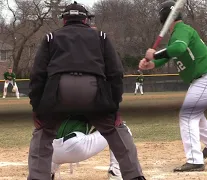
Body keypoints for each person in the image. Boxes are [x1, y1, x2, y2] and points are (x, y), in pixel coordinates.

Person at [28, 1, 145, 180]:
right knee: (116, 131)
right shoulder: (101, 37)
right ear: (85, 20)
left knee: (43, 134)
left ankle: (37, 177)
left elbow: (37, 74)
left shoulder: (51, 37)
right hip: (93, 89)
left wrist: (37, 107)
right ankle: (134, 176)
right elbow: (115, 72)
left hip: (59, 90)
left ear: (64, 20)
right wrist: (113, 104)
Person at [139, 0, 207, 172]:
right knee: (195, 113)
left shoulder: (182, 30)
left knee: (187, 116)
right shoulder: (179, 32)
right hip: (205, 78)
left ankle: (195, 160)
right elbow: (172, 54)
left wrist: (154, 54)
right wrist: (153, 64)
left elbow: (178, 48)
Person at [51, 114, 132, 180]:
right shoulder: (89, 101)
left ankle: (48, 172)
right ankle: (115, 173)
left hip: (52, 152)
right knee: (122, 130)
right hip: (74, 146)